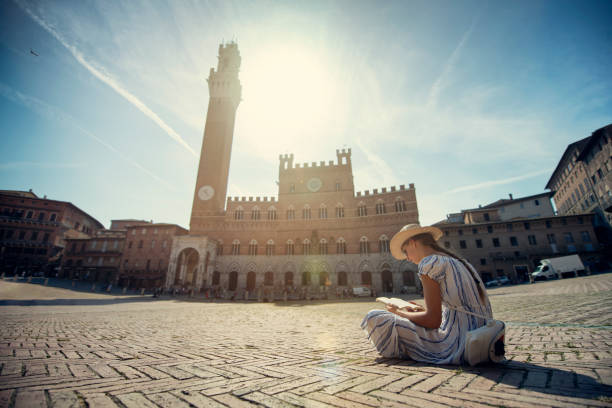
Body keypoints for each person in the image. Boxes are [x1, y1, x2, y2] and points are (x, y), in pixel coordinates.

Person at [361, 223, 493, 365]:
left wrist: (399, 312)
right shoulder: (461, 262)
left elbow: (433, 321)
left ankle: (409, 350)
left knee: (374, 317)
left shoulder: (429, 263)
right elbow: (456, 310)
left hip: (457, 345)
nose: (407, 258)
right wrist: (421, 311)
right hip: (483, 340)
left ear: (413, 243)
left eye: (405, 251)